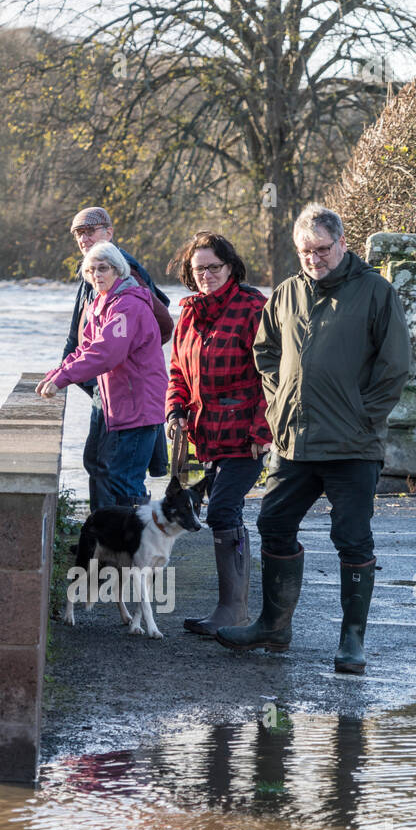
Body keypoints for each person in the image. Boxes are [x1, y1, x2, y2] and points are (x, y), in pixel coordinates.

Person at [216, 202, 411, 674]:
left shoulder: (376, 292)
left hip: (352, 446)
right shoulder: (286, 293)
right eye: (305, 251)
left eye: (322, 249)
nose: (314, 259)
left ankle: (352, 642)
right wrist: (278, 401)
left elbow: (394, 367)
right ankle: (273, 626)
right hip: (294, 443)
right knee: (273, 524)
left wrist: (363, 418)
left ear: (342, 243)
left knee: (352, 539)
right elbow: (264, 352)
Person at [164, 231, 270, 636]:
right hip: (202, 434)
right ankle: (233, 609)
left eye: (214, 267)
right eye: (199, 269)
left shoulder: (253, 307)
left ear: (231, 267)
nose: (206, 275)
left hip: (246, 432)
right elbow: (177, 370)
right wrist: (174, 407)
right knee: (222, 512)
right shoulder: (189, 313)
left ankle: (233, 611)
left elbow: (273, 375)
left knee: (223, 509)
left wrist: (263, 427)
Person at [37, 242, 167, 505]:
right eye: (91, 270)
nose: (96, 275)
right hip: (122, 407)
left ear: (118, 270)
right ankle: (119, 543)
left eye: (103, 268)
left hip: (138, 408)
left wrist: (63, 379)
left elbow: (106, 354)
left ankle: (136, 545)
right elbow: (85, 348)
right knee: (117, 479)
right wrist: (56, 372)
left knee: (125, 483)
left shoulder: (127, 306)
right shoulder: (101, 303)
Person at [62, 206, 173, 510]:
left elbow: (112, 347)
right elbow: (87, 341)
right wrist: (66, 369)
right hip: (110, 388)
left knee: (119, 474)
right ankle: (104, 535)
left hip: (129, 393)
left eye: (91, 230)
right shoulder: (96, 272)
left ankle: (125, 546)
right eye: (78, 233)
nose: (84, 238)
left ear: (109, 233)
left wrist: (134, 356)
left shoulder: (124, 273)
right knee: (99, 465)